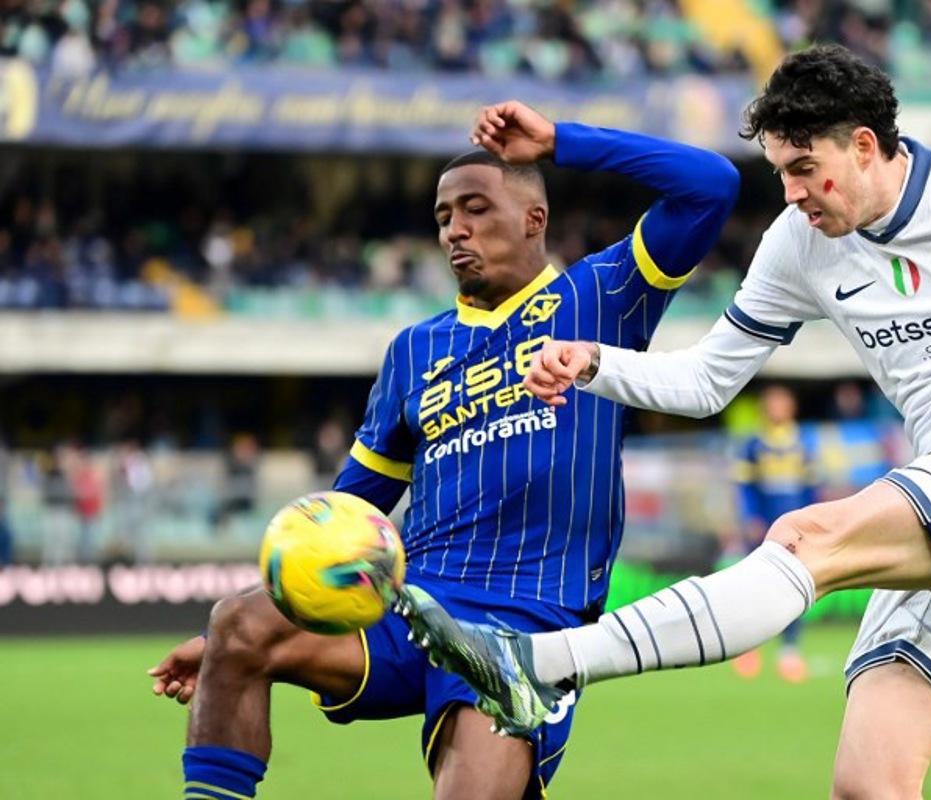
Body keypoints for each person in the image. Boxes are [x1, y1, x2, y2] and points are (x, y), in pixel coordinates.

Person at [394, 45, 931, 798]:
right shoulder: (800, 244)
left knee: (806, 539)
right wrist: (595, 363)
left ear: (862, 144)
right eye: (780, 172)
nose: (791, 194)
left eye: (805, 170)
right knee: (867, 782)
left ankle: (541, 663)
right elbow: (708, 381)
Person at [146, 101, 739, 800]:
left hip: (523, 626)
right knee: (239, 625)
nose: (454, 229)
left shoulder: (600, 297)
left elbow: (711, 183)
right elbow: (348, 508)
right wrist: (230, 644)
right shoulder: (413, 350)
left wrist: (559, 142)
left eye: (476, 209)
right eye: (443, 217)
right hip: (408, 612)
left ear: (533, 220)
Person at [728, 384, 819, 682]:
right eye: (773, 403)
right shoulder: (754, 444)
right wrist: (749, 516)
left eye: (783, 402)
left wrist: (813, 520)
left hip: (795, 530)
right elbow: (744, 487)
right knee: (751, 585)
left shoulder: (803, 442)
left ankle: (789, 650)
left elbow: (811, 488)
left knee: (796, 585)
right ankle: (747, 647)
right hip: (762, 527)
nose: (778, 408)